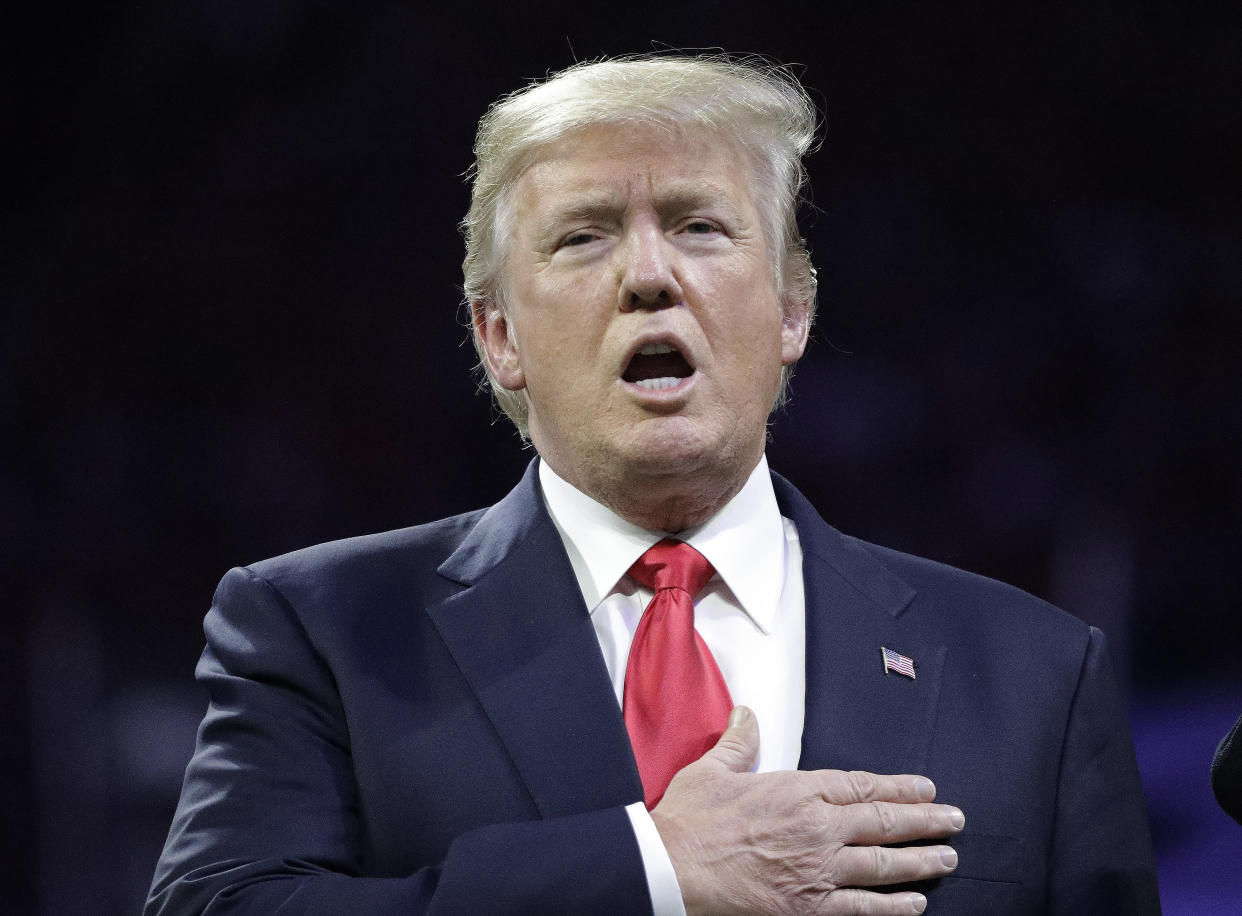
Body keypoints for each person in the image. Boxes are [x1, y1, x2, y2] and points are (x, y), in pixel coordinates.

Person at [147, 54, 1160, 914]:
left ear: (793, 312)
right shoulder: (322, 632)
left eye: (700, 226)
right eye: (584, 234)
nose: (648, 274)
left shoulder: (1036, 676)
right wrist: (655, 869)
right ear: (499, 337)